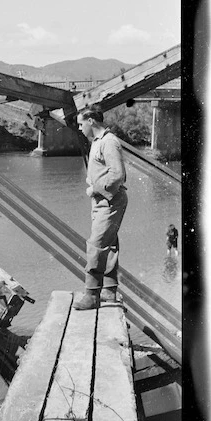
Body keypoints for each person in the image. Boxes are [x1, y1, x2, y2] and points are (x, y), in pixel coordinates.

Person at [74, 104, 128, 310]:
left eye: (81, 124)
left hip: (109, 200)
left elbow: (117, 174)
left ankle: (91, 294)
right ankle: (109, 289)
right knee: (109, 243)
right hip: (103, 200)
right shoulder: (98, 142)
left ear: (91, 121)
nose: (80, 129)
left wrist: (95, 188)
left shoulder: (109, 142)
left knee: (96, 244)